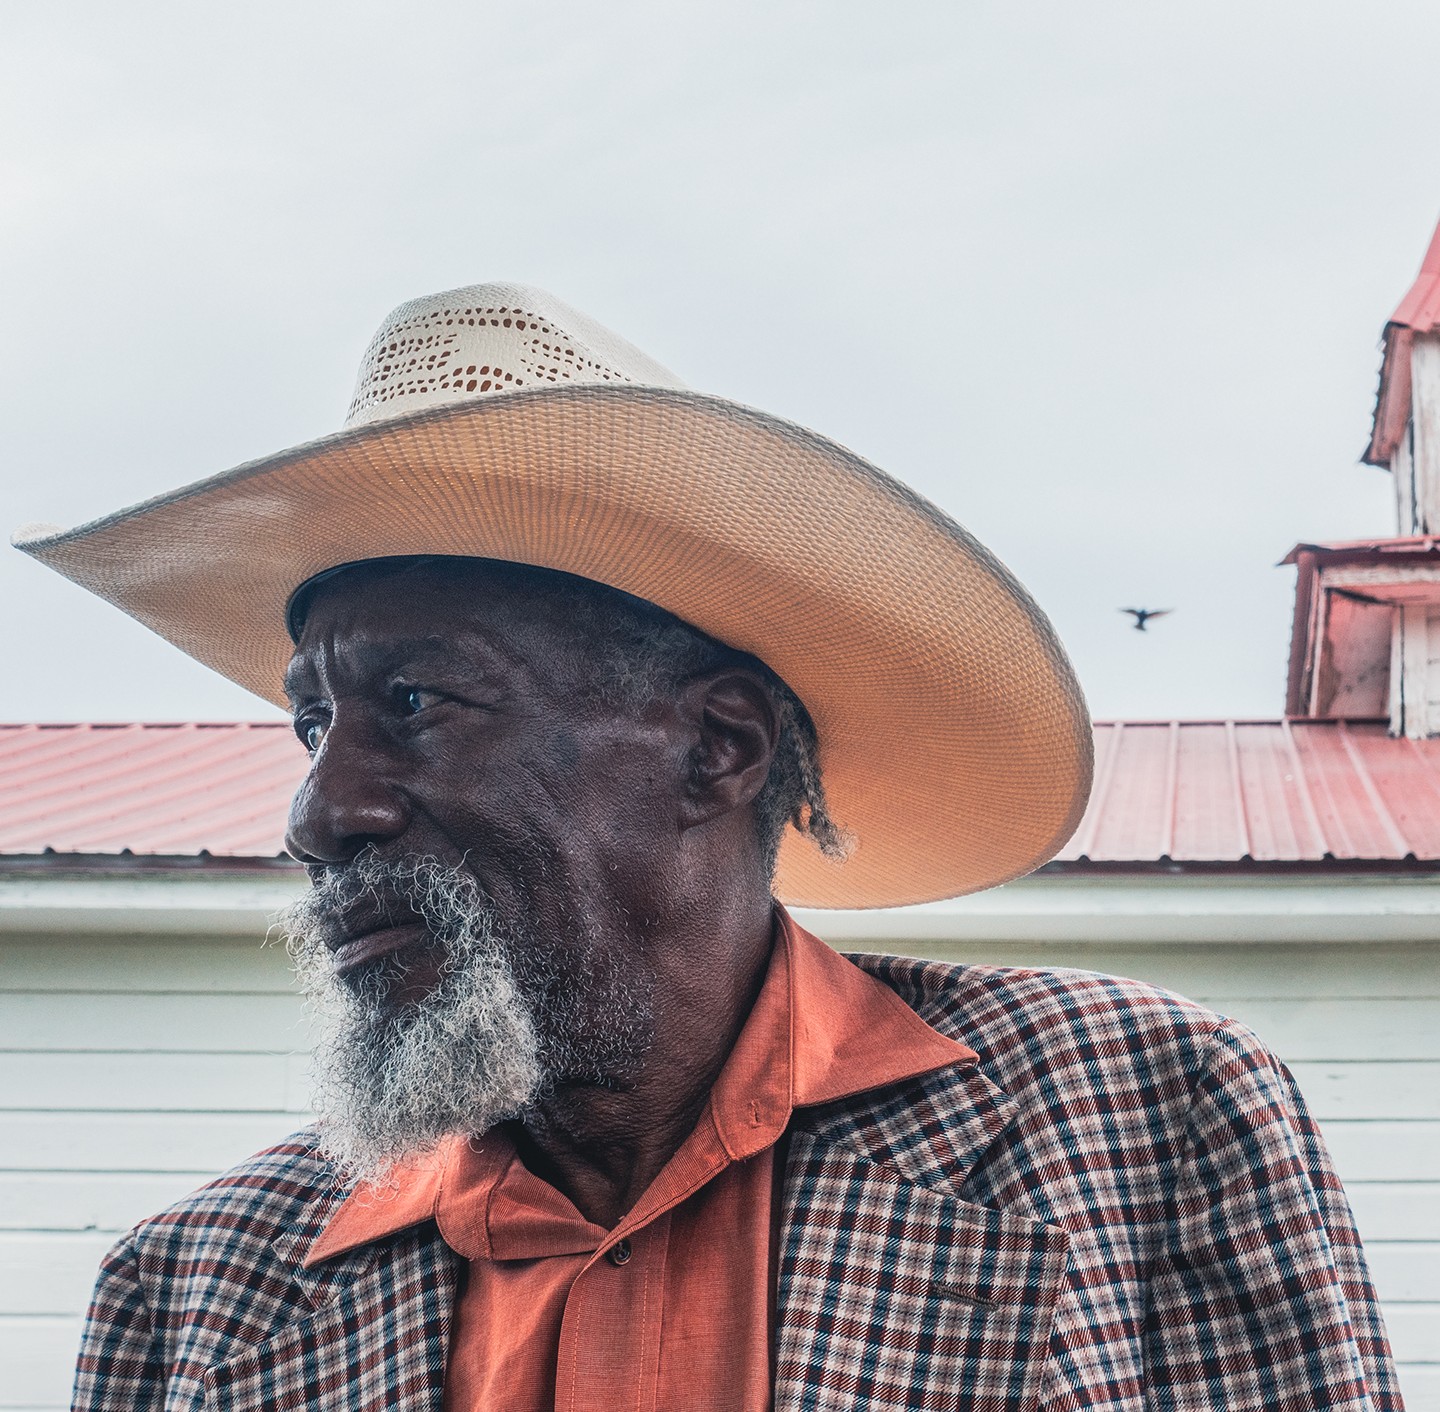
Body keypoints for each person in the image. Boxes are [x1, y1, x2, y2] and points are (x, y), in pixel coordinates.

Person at [20, 286, 1398, 1410]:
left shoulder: (1136, 1124)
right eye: (312, 724)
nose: (323, 815)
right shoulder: (195, 1292)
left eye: (417, 704)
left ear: (716, 749)